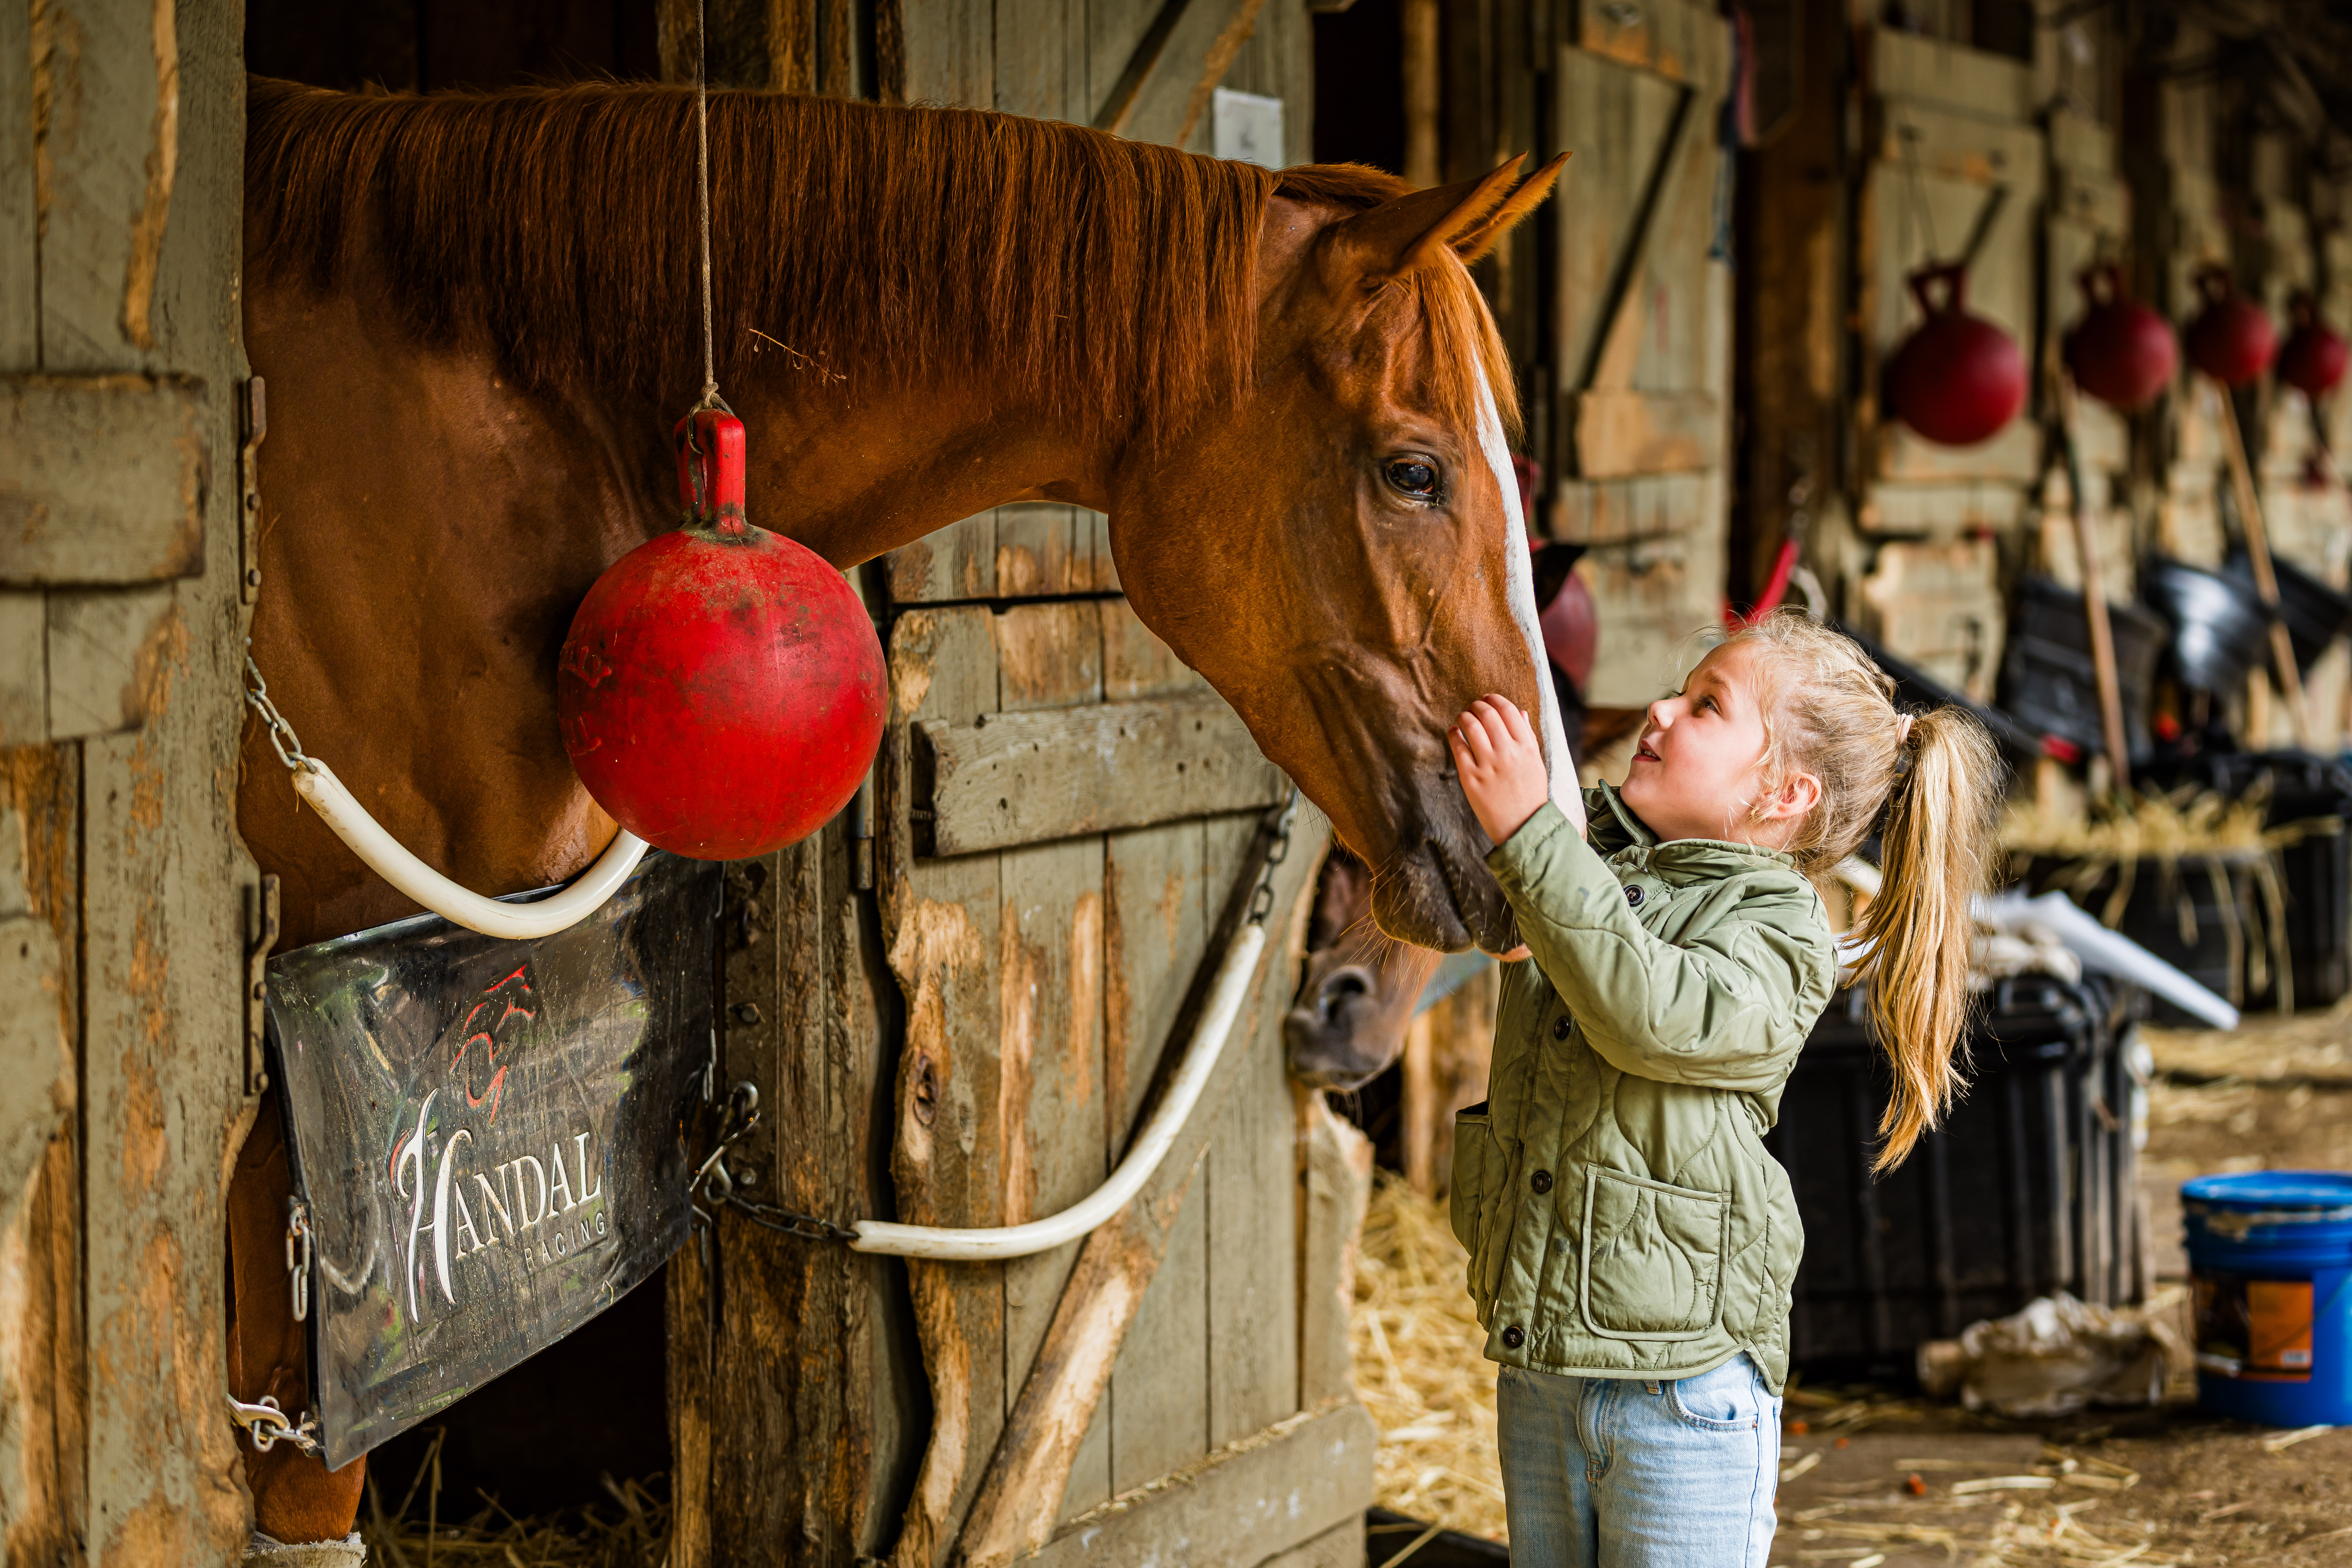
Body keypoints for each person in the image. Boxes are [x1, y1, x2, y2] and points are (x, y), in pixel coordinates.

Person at [1443, 609, 2002, 1567]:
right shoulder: (1590, 859)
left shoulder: (1779, 930)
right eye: (1679, 691)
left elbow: (1650, 1010)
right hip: (1545, 1361)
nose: (1660, 711)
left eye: (1706, 707)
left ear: (1784, 793)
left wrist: (1533, 839)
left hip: (1682, 1389)